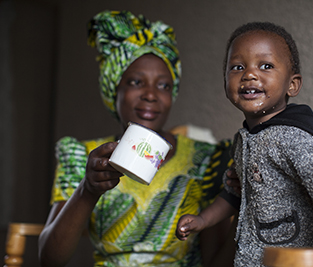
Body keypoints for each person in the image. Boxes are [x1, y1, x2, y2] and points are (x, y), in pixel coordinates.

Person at [38, 10, 237, 267]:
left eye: (164, 85)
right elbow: (49, 260)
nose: (151, 95)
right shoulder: (82, 156)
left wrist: (245, 207)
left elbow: (215, 261)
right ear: (114, 90)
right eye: (135, 82)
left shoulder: (205, 159)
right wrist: (88, 190)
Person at [175, 22, 313, 266]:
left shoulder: (295, 137)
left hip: (294, 259)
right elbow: (235, 193)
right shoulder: (246, 138)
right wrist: (203, 220)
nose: (249, 74)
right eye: (237, 67)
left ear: (292, 84)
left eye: (266, 66)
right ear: (225, 83)